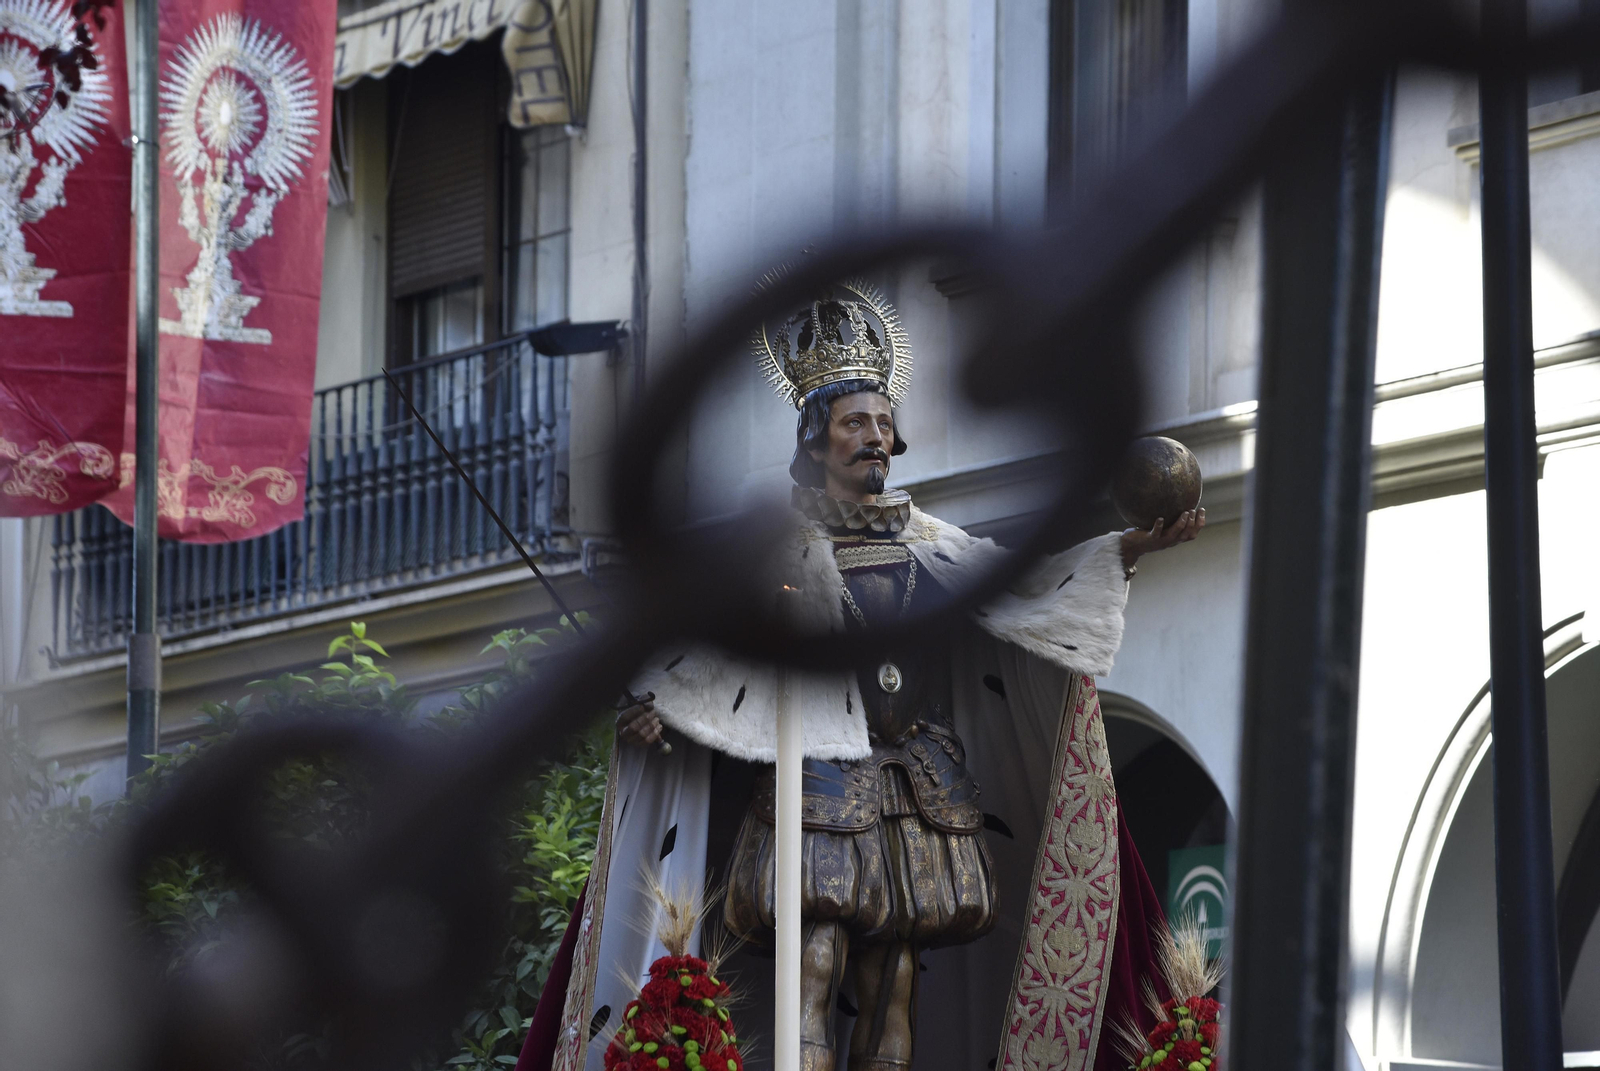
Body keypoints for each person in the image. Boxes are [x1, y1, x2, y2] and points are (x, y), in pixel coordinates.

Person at [520, 279, 1203, 1071]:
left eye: (884, 423)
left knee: (898, 974)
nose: (876, 437)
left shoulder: (934, 542)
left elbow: (1031, 597)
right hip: (814, 782)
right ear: (815, 438)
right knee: (814, 960)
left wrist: (1127, 547)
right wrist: (655, 706)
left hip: (918, 779)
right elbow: (701, 647)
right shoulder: (770, 549)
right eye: (856, 423)